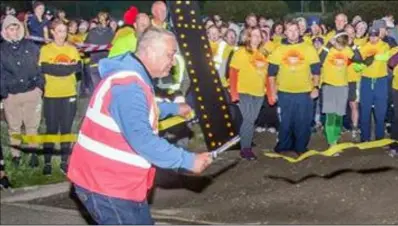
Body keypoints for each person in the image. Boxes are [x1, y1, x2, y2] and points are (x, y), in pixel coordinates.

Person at [67, 27, 213, 225]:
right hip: (106, 184)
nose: (173, 63)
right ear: (151, 51)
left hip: (117, 182)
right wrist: (187, 160)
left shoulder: (132, 77)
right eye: (170, 55)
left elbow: (138, 110)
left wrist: (172, 108)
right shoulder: (129, 86)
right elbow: (143, 139)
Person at [268, 21, 321, 156]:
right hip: (284, 93)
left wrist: (315, 87)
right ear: (285, 32)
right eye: (289, 30)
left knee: (303, 122)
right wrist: (272, 92)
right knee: (285, 122)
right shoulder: (278, 49)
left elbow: (316, 70)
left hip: (304, 93)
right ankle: (284, 145)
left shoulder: (309, 48)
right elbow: (271, 74)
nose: (292, 33)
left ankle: (301, 147)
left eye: (295, 30)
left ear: (300, 31)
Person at [0, 15, 44, 167]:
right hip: (11, 95)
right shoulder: (1, 50)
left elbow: (40, 67)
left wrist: (39, 87)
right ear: (5, 31)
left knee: (32, 126)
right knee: (14, 127)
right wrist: (4, 92)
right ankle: (16, 155)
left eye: (16, 28)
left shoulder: (31, 46)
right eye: (10, 29)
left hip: (31, 92)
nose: (14, 31)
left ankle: (33, 153)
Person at [39, 19, 81, 175]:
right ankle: (48, 162)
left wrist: (58, 68)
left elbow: (77, 68)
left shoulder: (72, 49)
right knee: (51, 129)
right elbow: (45, 68)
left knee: (66, 129)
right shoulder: (46, 50)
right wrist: (65, 68)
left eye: (65, 31)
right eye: (59, 31)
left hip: (69, 94)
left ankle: (64, 161)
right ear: (52, 32)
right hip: (51, 95)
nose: (62, 35)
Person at [229, 26, 267, 160]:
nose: (257, 38)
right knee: (249, 119)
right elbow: (233, 73)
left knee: (250, 119)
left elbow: (266, 74)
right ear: (248, 37)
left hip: (259, 93)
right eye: (254, 35)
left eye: (259, 36)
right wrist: (234, 94)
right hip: (244, 91)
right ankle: (245, 148)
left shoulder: (264, 53)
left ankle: (244, 142)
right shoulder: (240, 52)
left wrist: (268, 91)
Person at [318, 33, 362, 147]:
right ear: (335, 41)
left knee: (339, 115)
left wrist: (352, 45)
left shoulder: (346, 49)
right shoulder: (328, 50)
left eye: (343, 44)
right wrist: (328, 45)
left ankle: (336, 137)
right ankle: (331, 142)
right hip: (329, 86)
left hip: (343, 86)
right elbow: (319, 61)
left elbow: (358, 59)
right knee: (331, 116)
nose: (340, 47)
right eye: (338, 44)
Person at [358, 26, 391, 142]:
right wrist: (359, 65)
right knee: (365, 111)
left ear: (379, 35)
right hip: (366, 81)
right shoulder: (363, 47)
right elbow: (357, 63)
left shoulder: (384, 45)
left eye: (375, 35)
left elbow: (386, 56)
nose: (373, 38)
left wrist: (373, 57)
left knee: (380, 112)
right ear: (368, 35)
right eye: (371, 35)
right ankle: (364, 138)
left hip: (380, 81)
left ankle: (380, 137)